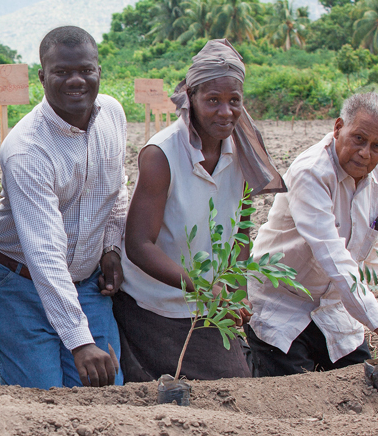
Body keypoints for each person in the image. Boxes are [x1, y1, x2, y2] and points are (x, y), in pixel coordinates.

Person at [117, 39, 286, 382]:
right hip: (154, 304)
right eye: (213, 101)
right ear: (190, 98)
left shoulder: (243, 155)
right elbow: (138, 245)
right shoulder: (161, 155)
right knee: (221, 386)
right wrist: (202, 287)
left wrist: (235, 294)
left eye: (234, 101)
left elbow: (240, 232)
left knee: (237, 383)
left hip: (207, 303)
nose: (225, 112)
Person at [0, 26, 128, 389]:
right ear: (42, 76)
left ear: (98, 72)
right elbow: (45, 252)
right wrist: (80, 341)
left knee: (104, 388)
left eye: (85, 70)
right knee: (42, 394)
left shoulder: (112, 114)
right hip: (20, 281)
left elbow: (117, 185)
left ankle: (11, 352)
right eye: (62, 72)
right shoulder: (27, 150)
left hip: (85, 279)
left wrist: (111, 246)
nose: (75, 80)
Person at [247, 92, 378, 375]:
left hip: (333, 307)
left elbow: (371, 246)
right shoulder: (312, 173)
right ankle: (249, 355)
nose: (366, 153)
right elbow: (332, 254)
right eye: (359, 139)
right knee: (295, 389)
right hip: (282, 300)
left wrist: (365, 306)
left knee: (362, 380)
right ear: (339, 127)